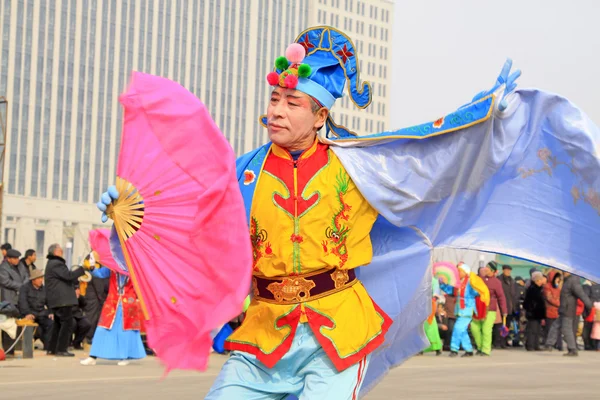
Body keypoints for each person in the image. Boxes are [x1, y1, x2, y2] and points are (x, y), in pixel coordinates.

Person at [96, 25, 600, 398]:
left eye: (291, 102)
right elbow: (189, 229)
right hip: (262, 336)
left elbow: (432, 158)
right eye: (274, 98)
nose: (276, 110)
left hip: (337, 334)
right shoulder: (241, 173)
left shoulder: (358, 167)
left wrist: (485, 119)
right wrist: (129, 221)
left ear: (320, 115)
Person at [80, 252, 146, 367]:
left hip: (128, 304)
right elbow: (100, 274)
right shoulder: (112, 266)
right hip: (112, 302)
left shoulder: (134, 266)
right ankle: (92, 356)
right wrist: (91, 267)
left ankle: (124, 356)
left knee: (125, 331)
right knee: (101, 329)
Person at [44, 244, 86, 357]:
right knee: (66, 324)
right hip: (62, 299)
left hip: (57, 299)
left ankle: (52, 348)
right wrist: (82, 269)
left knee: (58, 324)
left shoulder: (52, 263)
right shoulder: (56, 264)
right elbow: (69, 276)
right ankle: (61, 349)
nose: (62, 251)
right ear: (55, 252)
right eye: (59, 249)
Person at [440, 263, 488, 358]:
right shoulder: (458, 283)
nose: (458, 273)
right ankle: (469, 350)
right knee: (462, 331)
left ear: (465, 272)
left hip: (467, 309)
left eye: (460, 271)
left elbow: (477, 292)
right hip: (459, 309)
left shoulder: (470, 282)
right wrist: (442, 283)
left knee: (457, 328)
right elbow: (450, 290)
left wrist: (476, 288)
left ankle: (454, 349)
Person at [470, 263, 507, 356]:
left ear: (493, 271)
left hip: (490, 309)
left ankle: (486, 350)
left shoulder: (496, 282)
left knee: (486, 329)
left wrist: (504, 311)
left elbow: (501, 297)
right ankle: (479, 346)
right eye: (486, 267)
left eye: (488, 268)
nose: (485, 269)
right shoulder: (480, 279)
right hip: (478, 307)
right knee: (474, 328)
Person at [559, 272, 596, 356]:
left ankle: (572, 349)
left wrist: (589, 305)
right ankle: (570, 348)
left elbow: (582, 295)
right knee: (567, 329)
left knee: (568, 330)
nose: (563, 273)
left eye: (565, 271)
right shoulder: (568, 281)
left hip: (569, 310)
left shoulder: (572, 281)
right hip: (567, 309)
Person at [17, 269, 53, 351]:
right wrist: (27, 313)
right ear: (33, 280)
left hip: (41, 313)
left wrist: (51, 312)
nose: (41, 280)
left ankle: (48, 348)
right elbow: (22, 302)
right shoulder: (25, 288)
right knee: (37, 329)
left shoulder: (44, 289)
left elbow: (49, 302)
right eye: (39, 278)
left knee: (51, 323)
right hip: (30, 313)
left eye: (42, 278)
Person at [0, 249, 27, 355]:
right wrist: (21, 286)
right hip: (8, 299)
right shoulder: (3, 268)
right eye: (15, 258)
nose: (17, 260)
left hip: (20, 298)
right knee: (8, 323)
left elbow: (26, 277)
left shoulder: (21, 266)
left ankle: (17, 346)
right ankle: (8, 349)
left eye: (18, 258)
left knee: (18, 321)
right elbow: (5, 281)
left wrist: (24, 286)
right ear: (8, 259)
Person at [523, 271, 546, 351]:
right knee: (532, 330)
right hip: (533, 313)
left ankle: (536, 345)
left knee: (537, 330)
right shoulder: (532, 289)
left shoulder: (539, 289)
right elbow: (528, 302)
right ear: (536, 280)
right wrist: (532, 309)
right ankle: (530, 345)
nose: (541, 281)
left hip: (538, 313)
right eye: (540, 280)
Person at [543, 271, 563, 351]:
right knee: (549, 328)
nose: (558, 280)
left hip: (557, 312)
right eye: (557, 278)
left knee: (558, 329)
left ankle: (558, 345)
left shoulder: (557, 288)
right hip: (550, 311)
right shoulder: (547, 287)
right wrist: (559, 304)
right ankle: (549, 345)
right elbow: (549, 298)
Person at [71, 285, 92, 350]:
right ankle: (68, 343)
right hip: (69, 315)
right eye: (76, 289)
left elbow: (84, 304)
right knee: (72, 324)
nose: (77, 290)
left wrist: (79, 297)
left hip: (78, 315)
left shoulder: (79, 297)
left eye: (78, 289)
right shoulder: (67, 296)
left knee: (86, 324)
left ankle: (77, 342)